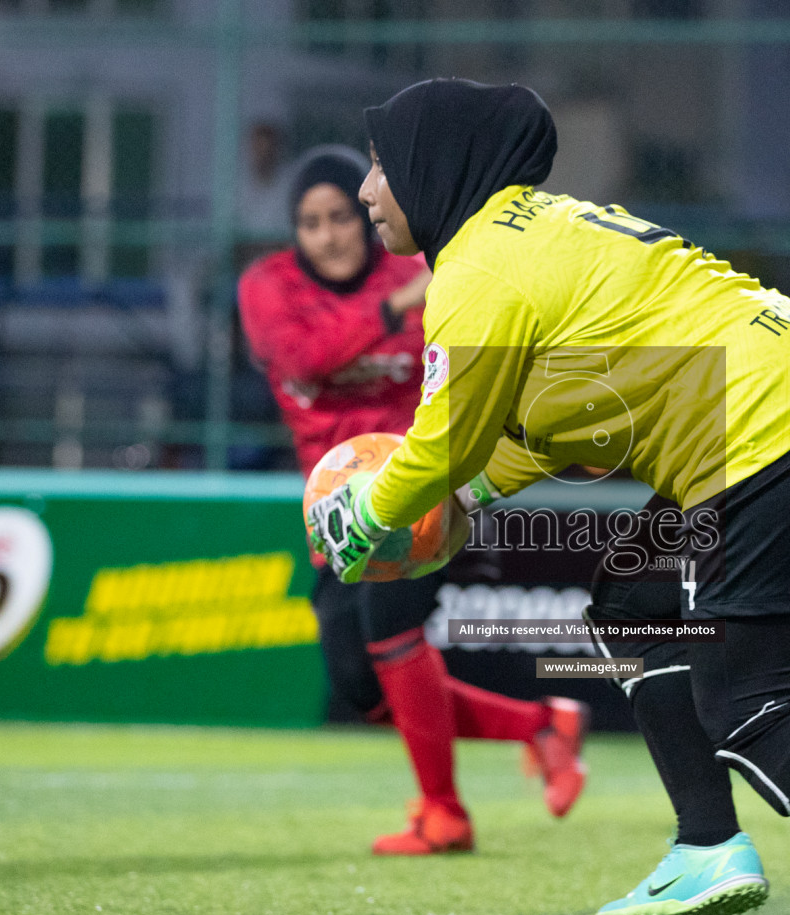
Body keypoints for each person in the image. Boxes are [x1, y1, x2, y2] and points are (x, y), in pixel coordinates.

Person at [307, 78, 790, 915]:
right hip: (787, 402)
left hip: (768, 427)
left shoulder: (476, 272)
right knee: (630, 602)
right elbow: (554, 423)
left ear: (430, 167)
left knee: (751, 708)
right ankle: (708, 847)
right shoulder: (529, 231)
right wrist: (464, 500)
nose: (368, 193)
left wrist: (369, 516)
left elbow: (441, 444)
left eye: (377, 166)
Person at [237, 144, 589, 856]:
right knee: (362, 689)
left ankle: (443, 813)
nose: (330, 233)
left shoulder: (425, 270)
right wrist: (395, 305)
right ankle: (542, 726)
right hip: (336, 513)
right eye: (311, 222)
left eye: (341, 215)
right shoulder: (271, 285)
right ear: (293, 233)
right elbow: (303, 358)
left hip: (427, 490)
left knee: (392, 632)